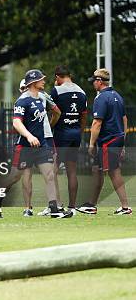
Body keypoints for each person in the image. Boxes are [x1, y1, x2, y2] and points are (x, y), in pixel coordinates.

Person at [0, 69, 72, 219]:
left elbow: (54, 113)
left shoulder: (41, 98)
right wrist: (29, 136)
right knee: (13, 177)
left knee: (49, 175)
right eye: (41, 79)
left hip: (41, 145)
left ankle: (54, 209)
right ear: (33, 83)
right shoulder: (22, 100)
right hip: (25, 147)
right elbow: (16, 122)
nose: (44, 81)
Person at [82, 69, 131, 215]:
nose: (93, 84)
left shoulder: (101, 98)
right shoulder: (117, 96)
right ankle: (91, 204)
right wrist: (122, 142)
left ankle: (125, 207)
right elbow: (124, 120)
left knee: (114, 172)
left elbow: (97, 123)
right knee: (97, 170)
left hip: (108, 141)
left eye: (94, 82)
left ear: (100, 81)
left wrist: (91, 144)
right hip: (116, 138)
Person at [49, 66, 88, 214]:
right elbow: (84, 116)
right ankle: (72, 207)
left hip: (61, 134)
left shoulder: (57, 91)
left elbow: (54, 113)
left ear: (58, 77)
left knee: (52, 170)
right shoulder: (82, 92)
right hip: (75, 134)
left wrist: (51, 127)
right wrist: (79, 131)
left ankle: (55, 205)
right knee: (72, 171)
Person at [20, 79, 62, 216]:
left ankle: (33, 208)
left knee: (38, 172)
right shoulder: (39, 97)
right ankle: (55, 206)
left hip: (37, 138)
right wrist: (50, 125)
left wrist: (49, 126)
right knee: (49, 173)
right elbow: (57, 112)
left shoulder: (33, 98)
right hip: (41, 138)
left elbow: (57, 112)